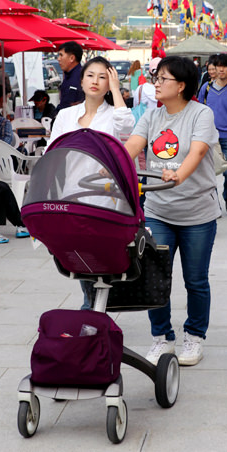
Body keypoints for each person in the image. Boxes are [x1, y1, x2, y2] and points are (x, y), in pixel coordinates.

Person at [124, 55, 221, 366]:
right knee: (154, 276)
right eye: (156, 77)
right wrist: (110, 165)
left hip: (198, 214)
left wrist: (178, 174)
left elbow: (198, 150)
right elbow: (133, 147)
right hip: (157, 210)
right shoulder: (151, 116)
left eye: (162, 78)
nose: (156, 82)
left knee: (195, 280)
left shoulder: (201, 113)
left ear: (181, 85)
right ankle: (162, 337)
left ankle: (194, 336)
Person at [47, 56, 135, 309]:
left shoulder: (113, 115)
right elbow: (52, 155)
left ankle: (93, 312)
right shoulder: (66, 115)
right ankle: (93, 309)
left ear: (110, 83)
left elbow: (127, 126)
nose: (95, 81)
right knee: (80, 260)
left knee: (102, 258)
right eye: (90, 75)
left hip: (106, 198)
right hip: (71, 196)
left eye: (103, 77)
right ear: (82, 80)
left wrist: (118, 90)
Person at [198, 53, 227, 214]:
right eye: (218, 66)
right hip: (208, 137)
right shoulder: (206, 88)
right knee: (209, 174)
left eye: (225, 66)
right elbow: (198, 111)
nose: (221, 69)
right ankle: (214, 204)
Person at [56, 41, 84, 113]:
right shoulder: (68, 76)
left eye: (61, 55)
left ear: (72, 58)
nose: (58, 59)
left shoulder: (82, 77)